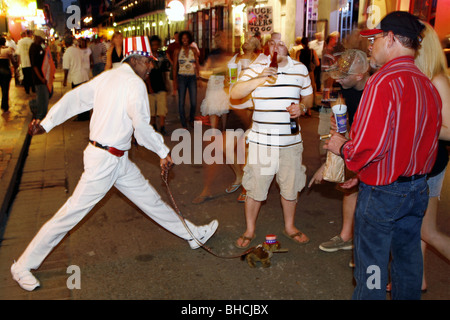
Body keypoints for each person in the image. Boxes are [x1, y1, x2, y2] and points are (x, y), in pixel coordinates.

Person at [10, 35, 218, 292]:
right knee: (69, 215)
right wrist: (163, 152)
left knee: (151, 200)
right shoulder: (133, 84)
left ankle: (192, 234)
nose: (151, 67)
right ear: (138, 59)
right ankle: (22, 266)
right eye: (149, 62)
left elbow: (75, 100)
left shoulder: (108, 76)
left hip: (115, 159)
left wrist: (47, 123)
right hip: (105, 161)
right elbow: (141, 127)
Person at [325, 11, 442, 300]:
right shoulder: (425, 82)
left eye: (375, 39)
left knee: (372, 270)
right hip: (417, 188)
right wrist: (363, 173)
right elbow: (420, 142)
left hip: (384, 194)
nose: (371, 45)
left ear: (390, 39)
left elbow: (368, 148)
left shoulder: (383, 82)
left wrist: (340, 146)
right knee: (407, 261)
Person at [230, 35, 313, 249]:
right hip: (261, 141)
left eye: (281, 43)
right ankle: (249, 230)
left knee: (290, 187)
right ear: (269, 47)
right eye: (273, 43)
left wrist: (302, 108)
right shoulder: (258, 67)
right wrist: (260, 78)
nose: (277, 47)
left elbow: (309, 96)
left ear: (289, 48)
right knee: (255, 187)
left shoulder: (300, 69)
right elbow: (235, 93)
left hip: (290, 141)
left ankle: (290, 227)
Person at [308, 49, 370, 254]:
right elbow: (346, 128)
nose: (338, 80)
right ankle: (346, 236)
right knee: (349, 187)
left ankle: (365, 249)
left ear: (359, 75)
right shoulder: (348, 89)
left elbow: (373, 133)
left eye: (343, 76)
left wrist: (328, 164)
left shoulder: (375, 90)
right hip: (356, 139)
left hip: (375, 147)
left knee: (371, 197)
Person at [414, 21, 450, 292]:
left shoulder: (437, 79)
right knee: (414, 228)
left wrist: (418, 122)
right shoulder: (419, 75)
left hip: (431, 165)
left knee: (427, 231)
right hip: (417, 164)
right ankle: (418, 278)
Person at [172, 30, 200, 128]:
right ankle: (184, 123)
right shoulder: (177, 51)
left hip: (192, 78)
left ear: (189, 39)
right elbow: (175, 67)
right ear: (180, 40)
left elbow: (197, 63)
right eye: (183, 38)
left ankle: (191, 119)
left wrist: (198, 75)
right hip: (182, 78)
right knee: (181, 102)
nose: (185, 40)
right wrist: (175, 81)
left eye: (186, 38)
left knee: (193, 102)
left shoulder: (193, 50)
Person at [63, 36, 90, 121]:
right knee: (84, 98)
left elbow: (66, 67)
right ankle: (86, 115)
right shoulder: (78, 50)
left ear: (66, 43)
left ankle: (81, 117)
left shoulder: (68, 52)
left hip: (76, 77)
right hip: (84, 76)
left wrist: (64, 80)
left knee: (78, 98)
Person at [147, 35, 171, 135]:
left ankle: (162, 126)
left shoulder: (162, 57)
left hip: (161, 85)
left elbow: (164, 72)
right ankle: (153, 125)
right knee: (152, 108)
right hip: (151, 85)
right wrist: (149, 87)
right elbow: (146, 74)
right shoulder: (147, 57)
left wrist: (167, 84)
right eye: (153, 45)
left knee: (162, 107)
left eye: (157, 44)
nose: (155, 46)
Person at [29, 30, 49, 120]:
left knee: (44, 96)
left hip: (43, 76)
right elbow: (34, 66)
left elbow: (45, 51)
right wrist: (41, 78)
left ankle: (34, 104)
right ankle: (40, 116)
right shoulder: (33, 48)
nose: (42, 40)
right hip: (39, 78)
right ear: (37, 37)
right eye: (41, 38)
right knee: (42, 98)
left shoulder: (40, 46)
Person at [297, 37, 319, 115]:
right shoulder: (312, 51)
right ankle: (309, 110)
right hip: (310, 73)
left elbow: (297, 63)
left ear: (301, 44)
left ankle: (303, 109)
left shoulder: (299, 52)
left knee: (301, 91)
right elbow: (317, 63)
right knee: (309, 90)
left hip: (301, 73)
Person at [16, 30, 34, 94]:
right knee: (31, 76)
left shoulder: (20, 42)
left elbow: (18, 53)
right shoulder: (31, 41)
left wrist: (18, 62)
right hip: (31, 62)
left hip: (23, 62)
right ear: (30, 34)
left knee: (25, 76)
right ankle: (33, 89)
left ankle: (27, 90)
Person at [0, 36, 14, 114]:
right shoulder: (7, 50)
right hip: (5, 71)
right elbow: (12, 60)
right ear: (4, 42)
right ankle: (5, 107)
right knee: (5, 90)